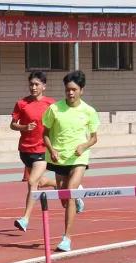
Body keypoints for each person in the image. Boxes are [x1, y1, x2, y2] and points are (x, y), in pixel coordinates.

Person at [41, 70, 98, 253]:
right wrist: (52, 149)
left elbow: (94, 138)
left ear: (82, 90)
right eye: (67, 90)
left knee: (70, 192)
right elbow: (45, 134)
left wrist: (84, 146)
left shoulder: (89, 111)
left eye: (74, 89)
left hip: (78, 158)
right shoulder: (54, 109)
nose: (70, 93)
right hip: (59, 159)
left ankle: (66, 238)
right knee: (65, 200)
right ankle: (76, 199)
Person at [10, 71, 57, 233]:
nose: (33, 87)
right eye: (31, 84)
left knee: (32, 183)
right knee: (40, 182)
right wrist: (24, 127)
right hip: (25, 150)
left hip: (42, 149)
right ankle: (68, 187)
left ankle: (25, 218)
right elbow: (13, 124)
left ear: (44, 86)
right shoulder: (21, 103)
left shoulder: (51, 104)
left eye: (37, 84)